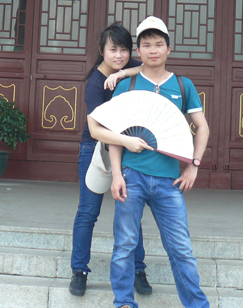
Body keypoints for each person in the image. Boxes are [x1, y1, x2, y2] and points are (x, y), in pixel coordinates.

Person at [88, 16, 210, 308]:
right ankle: (124, 303)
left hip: (168, 181)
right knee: (124, 246)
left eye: (158, 44)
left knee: (181, 249)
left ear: (169, 49)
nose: (152, 50)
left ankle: (197, 305)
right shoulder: (127, 85)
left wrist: (193, 165)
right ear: (138, 51)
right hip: (132, 176)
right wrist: (117, 175)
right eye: (146, 45)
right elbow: (116, 135)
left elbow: (202, 127)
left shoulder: (183, 85)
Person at [69, 22, 152, 298]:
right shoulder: (95, 83)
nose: (119, 55)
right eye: (113, 50)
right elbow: (96, 130)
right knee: (88, 212)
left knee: (131, 212)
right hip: (95, 149)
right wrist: (126, 142)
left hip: (125, 148)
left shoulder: (126, 68)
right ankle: (79, 270)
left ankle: (138, 270)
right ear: (101, 51)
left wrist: (124, 73)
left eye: (124, 50)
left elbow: (150, 66)